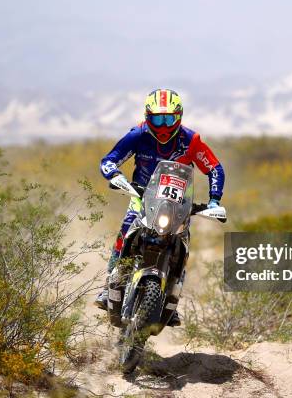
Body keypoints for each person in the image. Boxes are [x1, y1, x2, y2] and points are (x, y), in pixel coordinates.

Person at [95, 89, 225, 326]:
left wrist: (215, 199)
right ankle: (109, 285)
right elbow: (109, 159)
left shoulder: (191, 140)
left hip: (178, 205)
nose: (163, 125)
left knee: (182, 247)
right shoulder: (138, 135)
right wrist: (115, 175)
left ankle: (170, 299)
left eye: (168, 118)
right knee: (125, 234)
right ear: (147, 116)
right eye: (157, 118)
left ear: (179, 116)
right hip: (141, 197)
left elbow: (214, 168)